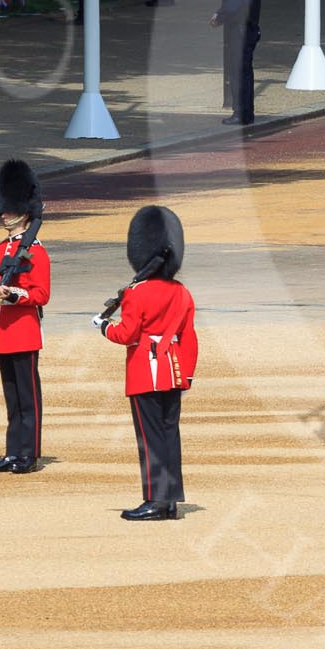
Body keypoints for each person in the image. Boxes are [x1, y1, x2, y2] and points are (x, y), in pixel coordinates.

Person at [97, 205, 197, 521]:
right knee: (169, 435)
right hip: (175, 370)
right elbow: (189, 338)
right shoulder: (182, 292)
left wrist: (103, 326)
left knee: (150, 438)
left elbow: (126, 334)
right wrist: (187, 376)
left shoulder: (137, 293)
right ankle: (170, 500)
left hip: (146, 371)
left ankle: (155, 499)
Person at [0, 160, 49, 473]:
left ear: (24, 212)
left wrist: (14, 295)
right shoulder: (0, 249)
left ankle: (30, 452)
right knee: (11, 397)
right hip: (2, 333)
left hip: (24, 331)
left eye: (10, 210)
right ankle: (13, 451)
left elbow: (42, 294)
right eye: (4, 209)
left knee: (27, 396)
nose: (4, 214)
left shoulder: (36, 251)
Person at [211, 0, 261, 126]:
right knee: (244, 73)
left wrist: (218, 17)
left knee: (238, 74)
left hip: (239, 33)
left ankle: (240, 112)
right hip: (247, 31)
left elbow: (232, 5)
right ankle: (246, 113)